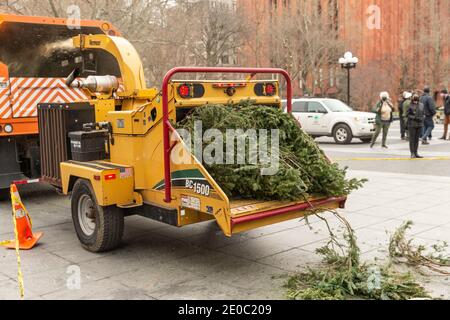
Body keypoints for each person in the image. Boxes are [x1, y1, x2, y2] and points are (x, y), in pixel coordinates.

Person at [407, 93, 425, 158]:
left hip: (419, 124)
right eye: (414, 98)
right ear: (412, 98)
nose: (416, 99)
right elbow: (407, 114)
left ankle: (416, 152)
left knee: (416, 139)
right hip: (412, 124)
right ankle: (412, 153)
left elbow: (423, 113)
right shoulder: (410, 105)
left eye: (417, 98)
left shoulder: (421, 105)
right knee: (412, 139)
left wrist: (422, 118)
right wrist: (414, 117)